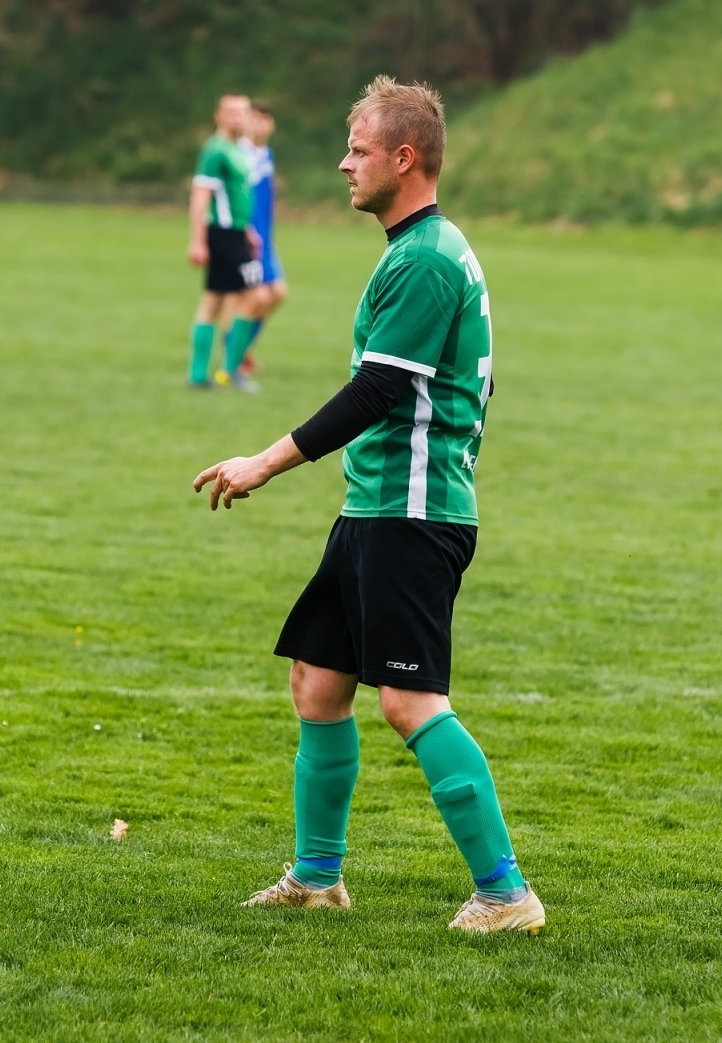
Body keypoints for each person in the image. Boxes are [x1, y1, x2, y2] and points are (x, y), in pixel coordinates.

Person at [192, 76, 544, 933]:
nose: (343, 162)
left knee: (409, 703)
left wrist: (266, 460)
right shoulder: (416, 247)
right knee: (318, 684)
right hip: (378, 506)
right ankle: (317, 879)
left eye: (357, 148)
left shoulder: (424, 258)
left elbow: (377, 390)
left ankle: (506, 893)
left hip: (414, 513)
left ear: (403, 157)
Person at [186, 93, 262, 392]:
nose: (237, 118)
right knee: (249, 294)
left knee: (219, 299)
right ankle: (228, 370)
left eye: (242, 112)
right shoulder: (215, 150)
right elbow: (201, 195)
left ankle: (203, 374)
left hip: (235, 234)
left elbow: (236, 197)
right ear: (218, 116)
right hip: (220, 234)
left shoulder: (237, 149)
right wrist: (197, 241)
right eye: (231, 112)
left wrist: (247, 231)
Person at [230, 101, 287, 378]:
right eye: (255, 118)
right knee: (252, 297)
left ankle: (240, 349)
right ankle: (233, 357)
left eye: (266, 119)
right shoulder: (238, 154)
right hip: (245, 238)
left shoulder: (267, 154)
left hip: (265, 238)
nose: (260, 124)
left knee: (277, 294)